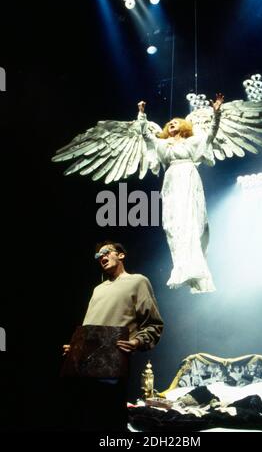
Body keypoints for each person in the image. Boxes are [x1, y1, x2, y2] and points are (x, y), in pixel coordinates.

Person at [62, 241, 164, 431]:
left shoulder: (138, 281)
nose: (101, 257)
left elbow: (153, 324)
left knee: (109, 422)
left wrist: (137, 341)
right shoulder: (98, 289)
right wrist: (76, 346)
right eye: (98, 256)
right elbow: (89, 328)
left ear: (121, 255)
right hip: (82, 369)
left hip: (112, 365)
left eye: (106, 252)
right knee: (82, 420)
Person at [137, 94, 224, 294]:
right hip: (172, 179)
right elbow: (146, 135)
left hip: (189, 176)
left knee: (192, 220)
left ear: (183, 127)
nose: (172, 124)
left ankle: (198, 267)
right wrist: (142, 114)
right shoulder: (162, 144)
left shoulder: (193, 141)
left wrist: (216, 112)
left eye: (176, 122)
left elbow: (211, 133)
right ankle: (181, 267)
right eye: (170, 123)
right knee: (172, 224)